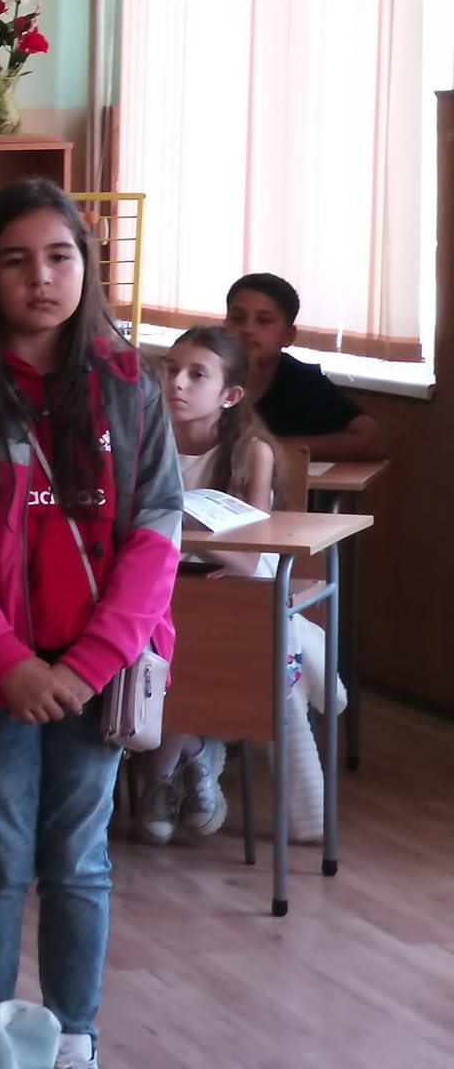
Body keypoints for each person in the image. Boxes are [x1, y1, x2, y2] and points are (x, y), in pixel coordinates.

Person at [0, 178, 182, 1069]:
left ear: (86, 266)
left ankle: (74, 1040)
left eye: (60, 257)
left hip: (99, 673)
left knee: (79, 861)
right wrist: (8, 662)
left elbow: (159, 532)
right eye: (16, 260)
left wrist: (90, 663)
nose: (41, 279)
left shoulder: (131, 386)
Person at [138, 325, 339, 846]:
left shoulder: (252, 452)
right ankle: (189, 754)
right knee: (154, 624)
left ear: (230, 396)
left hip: (232, 584)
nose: (177, 383)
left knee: (194, 628)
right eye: (171, 370)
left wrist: (179, 529)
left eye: (196, 375)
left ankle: (162, 773)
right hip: (160, 578)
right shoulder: (143, 436)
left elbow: (249, 558)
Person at [225, 272, 388, 462]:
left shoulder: (302, 381)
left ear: (288, 335)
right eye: (237, 318)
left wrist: (265, 448)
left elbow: (373, 442)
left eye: (264, 321)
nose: (248, 329)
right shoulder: (204, 370)